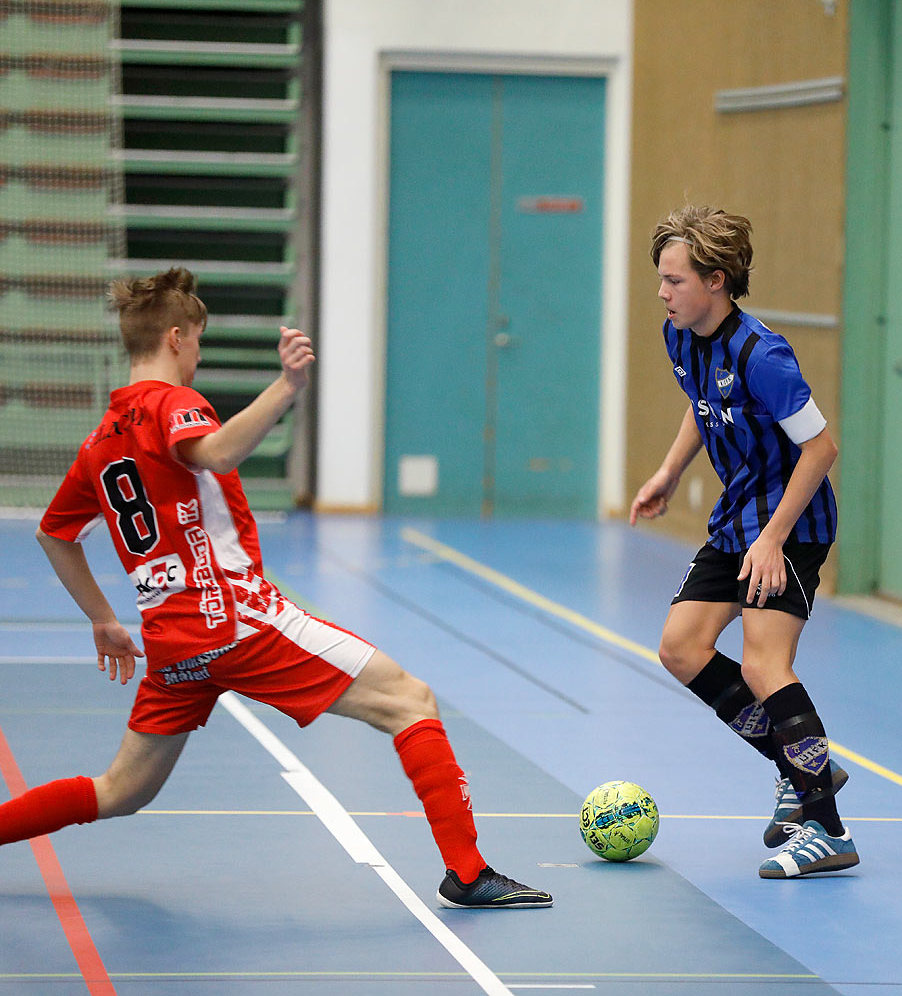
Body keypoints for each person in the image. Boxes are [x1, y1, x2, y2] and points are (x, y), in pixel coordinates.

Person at [1, 268, 550, 910]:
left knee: (123, 790)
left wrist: (101, 618)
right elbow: (214, 454)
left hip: (173, 642)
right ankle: (468, 871)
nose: (199, 357)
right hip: (236, 619)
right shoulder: (171, 403)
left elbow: (54, 535)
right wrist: (287, 387)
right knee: (410, 699)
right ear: (176, 337)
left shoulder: (100, 440)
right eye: (199, 342)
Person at [630, 206, 858, 878]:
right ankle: (798, 763)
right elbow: (701, 407)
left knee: (763, 664)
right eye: (661, 280)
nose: (663, 292)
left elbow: (821, 447)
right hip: (738, 518)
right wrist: (669, 473)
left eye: (674, 280)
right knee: (681, 647)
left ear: (717, 280)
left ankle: (827, 828)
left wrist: (774, 539)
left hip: (792, 523)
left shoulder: (765, 355)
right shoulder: (682, 337)